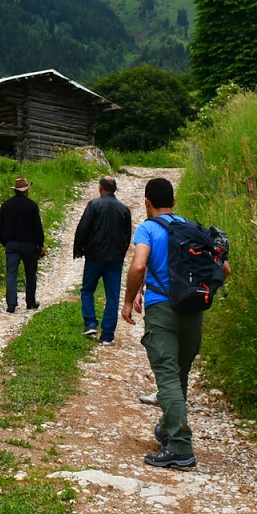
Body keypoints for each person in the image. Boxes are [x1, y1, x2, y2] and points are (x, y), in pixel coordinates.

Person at [121, 176, 228, 469]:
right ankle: (169, 430)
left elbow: (139, 265)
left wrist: (129, 301)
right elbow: (225, 268)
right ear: (174, 202)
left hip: (162, 310)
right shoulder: (192, 228)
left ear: (147, 203)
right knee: (179, 375)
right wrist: (203, 293)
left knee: (166, 376)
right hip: (193, 310)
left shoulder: (147, 229)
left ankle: (180, 448)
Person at [72, 176, 132, 343]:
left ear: (101, 188)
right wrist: (122, 253)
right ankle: (107, 335)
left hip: (95, 256)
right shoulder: (124, 209)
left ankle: (90, 323)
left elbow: (83, 228)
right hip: (115, 258)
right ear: (115, 189)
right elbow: (127, 235)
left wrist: (78, 249)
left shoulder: (94, 205)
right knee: (112, 296)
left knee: (87, 290)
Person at [0, 176, 45, 312]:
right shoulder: (32, 206)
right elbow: (37, 228)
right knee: (30, 273)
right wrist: (40, 245)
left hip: (11, 244)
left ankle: (11, 303)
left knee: (11, 273)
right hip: (29, 245)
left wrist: (4, 242)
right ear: (26, 190)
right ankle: (30, 302)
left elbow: (0, 227)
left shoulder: (6, 205)